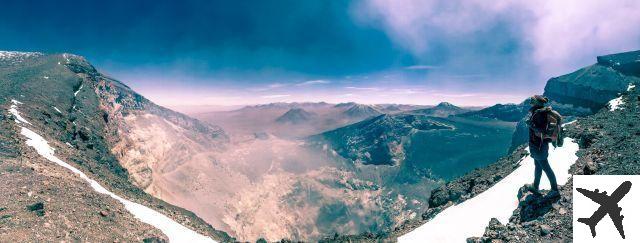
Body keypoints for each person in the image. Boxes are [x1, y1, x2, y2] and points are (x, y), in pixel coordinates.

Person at [525, 95, 559, 197]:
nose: (530, 102)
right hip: (539, 145)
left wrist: (530, 124)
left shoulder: (539, 114)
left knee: (546, 167)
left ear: (537, 102)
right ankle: (535, 186)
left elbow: (542, 130)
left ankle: (555, 190)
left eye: (532, 100)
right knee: (538, 166)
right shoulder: (539, 112)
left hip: (538, 146)